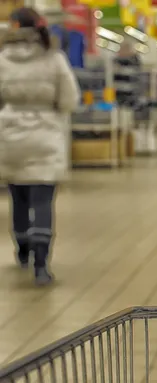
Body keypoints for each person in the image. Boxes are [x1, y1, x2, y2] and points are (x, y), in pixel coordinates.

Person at [0, 7, 81, 285]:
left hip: (10, 133)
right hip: (45, 134)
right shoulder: (54, 59)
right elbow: (70, 99)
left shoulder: (2, 60)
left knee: (18, 196)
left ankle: (22, 250)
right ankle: (41, 265)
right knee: (43, 200)